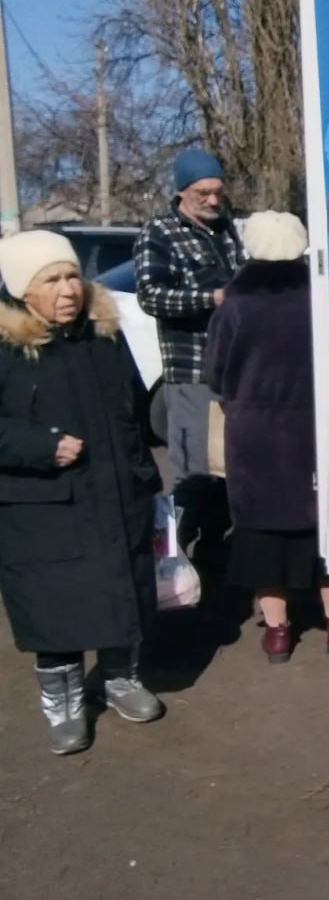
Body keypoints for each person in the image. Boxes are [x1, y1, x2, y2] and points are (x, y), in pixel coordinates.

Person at [0, 230, 165, 755]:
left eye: (72, 276)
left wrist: (146, 482)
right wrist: (40, 445)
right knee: (54, 607)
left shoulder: (104, 335)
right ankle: (64, 704)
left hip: (116, 494)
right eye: (51, 280)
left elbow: (135, 410)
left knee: (122, 590)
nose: (68, 289)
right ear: (23, 289)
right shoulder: (7, 347)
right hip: (42, 507)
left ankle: (120, 679)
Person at [205, 211, 329, 663]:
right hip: (315, 428)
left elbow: (215, 374)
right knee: (326, 525)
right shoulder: (322, 299)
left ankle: (277, 633)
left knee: (260, 532)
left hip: (256, 435)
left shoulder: (234, 306)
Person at [133, 148, 244, 560]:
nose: (213, 200)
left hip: (233, 370)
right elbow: (150, 296)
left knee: (227, 469)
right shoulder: (158, 232)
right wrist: (211, 297)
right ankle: (173, 558)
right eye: (203, 193)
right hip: (192, 372)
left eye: (218, 191)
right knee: (195, 472)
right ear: (182, 191)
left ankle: (215, 554)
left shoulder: (226, 228)